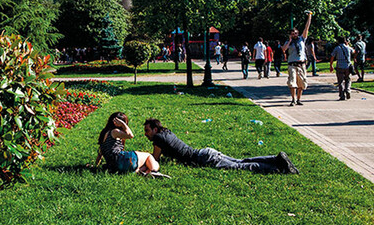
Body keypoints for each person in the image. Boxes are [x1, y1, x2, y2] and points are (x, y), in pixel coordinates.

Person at [143, 118, 299, 174]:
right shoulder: (166, 133)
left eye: (147, 130)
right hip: (206, 152)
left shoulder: (158, 138)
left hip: (204, 159)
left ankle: (278, 168)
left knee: (241, 167)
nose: (146, 134)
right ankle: (275, 159)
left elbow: (155, 159)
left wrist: (144, 160)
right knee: (241, 161)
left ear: (155, 129)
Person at [95, 112, 170, 178]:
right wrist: (123, 124)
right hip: (120, 159)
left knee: (142, 164)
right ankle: (154, 171)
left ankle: (144, 172)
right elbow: (130, 135)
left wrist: (96, 165)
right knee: (148, 156)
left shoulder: (104, 134)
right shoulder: (115, 131)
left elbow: (100, 153)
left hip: (113, 166)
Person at [282, 12, 312, 106]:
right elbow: (283, 49)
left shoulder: (302, 39)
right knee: (292, 83)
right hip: (292, 64)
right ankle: (293, 99)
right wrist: (290, 40)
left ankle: (299, 99)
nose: (294, 35)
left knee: (302, 84)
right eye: (292, 34)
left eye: (295, 33)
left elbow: (306, 28)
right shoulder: (288, 42)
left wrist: (309, 17)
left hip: (301, 64)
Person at [330, 36, 355, 100]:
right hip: (347, 66)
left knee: (340, 81)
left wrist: (331, 65)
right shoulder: (348, 48)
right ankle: (348, 90)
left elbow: (332, 56)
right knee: (348, 79)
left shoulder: (337, 48)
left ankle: (342, 95)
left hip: (339, 66)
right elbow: (354, 51)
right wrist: (348, 44)